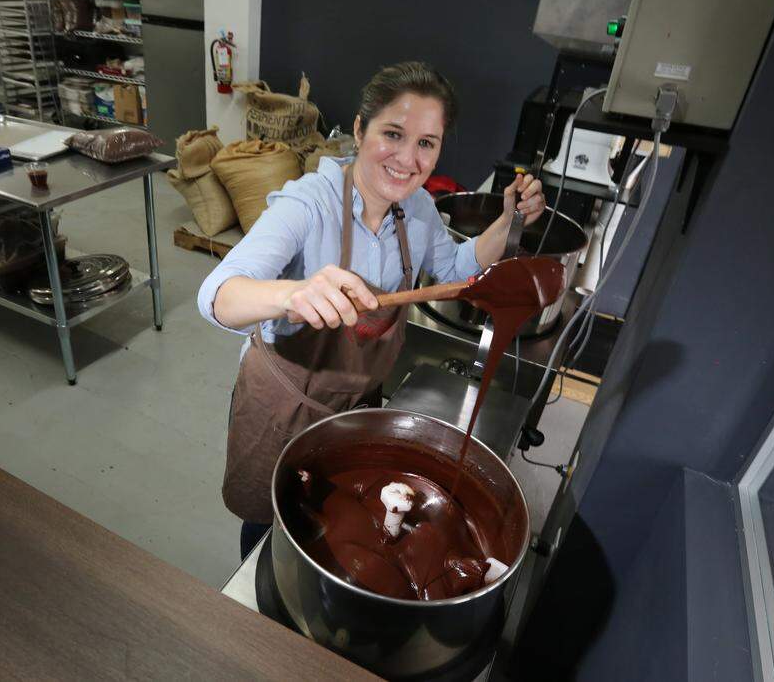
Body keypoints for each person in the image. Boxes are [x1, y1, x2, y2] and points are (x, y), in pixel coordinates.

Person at [197, 61, 546, 558]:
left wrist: (509, 219)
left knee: (332, 526)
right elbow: (217, 294)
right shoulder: (308, 204)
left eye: (426, 142)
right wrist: (290, 294)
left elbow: (456, 272)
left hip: (356, 406)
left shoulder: (419, 209)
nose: (407, 158)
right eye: (393, 134)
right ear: (360, 130)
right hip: (284, 406)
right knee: (269, 523)